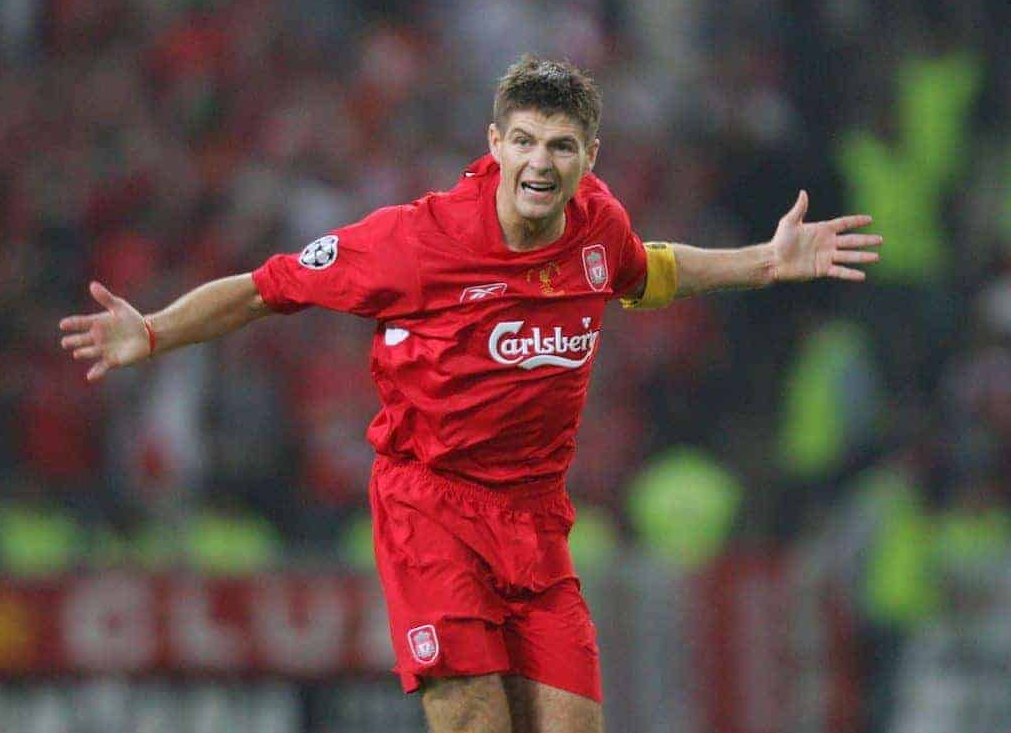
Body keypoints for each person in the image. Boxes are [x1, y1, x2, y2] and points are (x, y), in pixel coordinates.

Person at [59, 55, 881, 733]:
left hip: (535, 517)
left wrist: (763, 262)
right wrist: (155, 330)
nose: (540, 162)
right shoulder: (415, 242)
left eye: (561, 146)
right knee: (477, 724)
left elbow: (646, 271)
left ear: (590, 155)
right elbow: (265, 287)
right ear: (494, 142)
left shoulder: (597, 224)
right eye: (524, 141)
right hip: (432, 508)